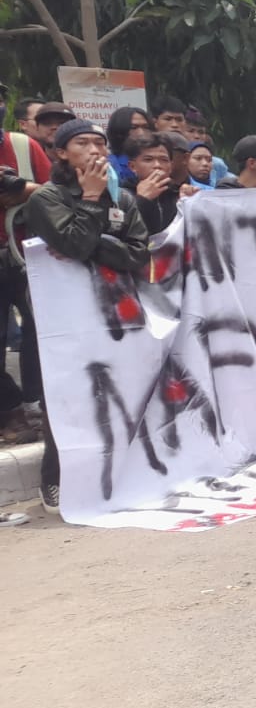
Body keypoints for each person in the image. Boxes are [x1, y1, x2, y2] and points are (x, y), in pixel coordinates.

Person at [26, 118, 151, 512]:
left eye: (100, 143)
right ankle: (55, 478)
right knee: (66, 394)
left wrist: (96, 240)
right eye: (83, 143)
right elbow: (76, 245)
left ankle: (120, 474)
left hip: (114, 310)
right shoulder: (45, 199)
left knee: (120, 388)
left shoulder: (124, 198)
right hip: (61, 315)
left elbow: (137, 254)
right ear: (61, 152)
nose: (95, 150)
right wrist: (91, 201)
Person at [0, 114, 51, 436]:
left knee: (43, 336)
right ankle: (10, 407)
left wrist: (27, 191)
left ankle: (41, 407)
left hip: (29, 255)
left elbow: (55, 192)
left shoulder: (22, 145)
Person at [125, 134, 180, 234]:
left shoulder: (177, 194)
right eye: (148, 160)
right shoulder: (121, 195)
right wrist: (141, 200)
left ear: (171, 166)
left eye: (164, 160)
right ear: (132, 166)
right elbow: (121, 230)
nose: (157, 166)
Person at [105, 106, 154, 182]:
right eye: (134, 127)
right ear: (119, 131)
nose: (141, 133)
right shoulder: (110, 165)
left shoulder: (160, 159)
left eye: (145, 127)